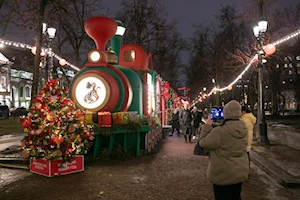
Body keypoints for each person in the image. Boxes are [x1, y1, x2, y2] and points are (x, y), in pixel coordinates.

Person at [199, 100, 249, 200]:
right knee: (236, 196)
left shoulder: (220, 131)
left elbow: (203, 142)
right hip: (239, 171)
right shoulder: (244, 128)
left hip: (222, 173)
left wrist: (207, 125)